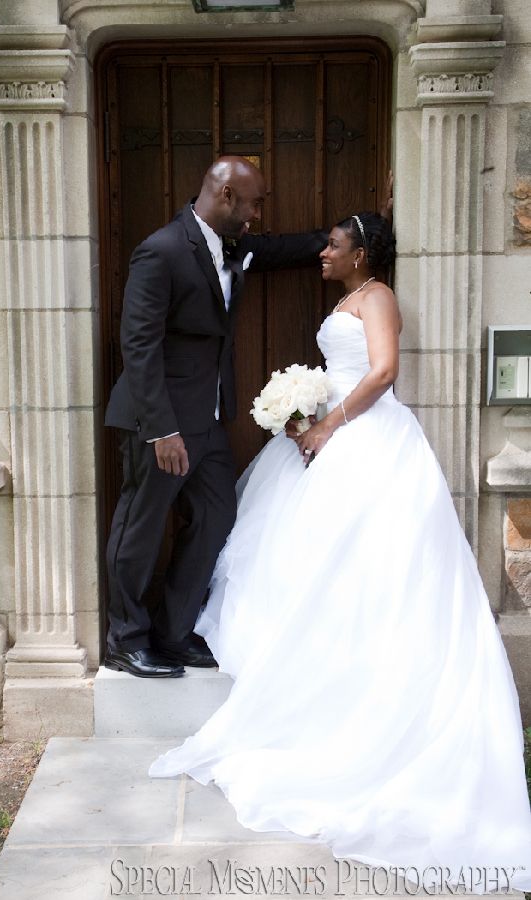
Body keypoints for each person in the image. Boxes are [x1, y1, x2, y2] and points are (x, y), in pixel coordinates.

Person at [149, 212, 531, 889]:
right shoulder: (347, 298)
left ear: (361, 254)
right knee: (300, 562)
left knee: (366, 566)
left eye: (332, 243)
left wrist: (327, 421)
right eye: (323, 241)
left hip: (369, 440)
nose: (321, 250)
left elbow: (381, 370)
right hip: (335, 433)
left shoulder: (377, 297)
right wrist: (301, 410)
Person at [105, 156, 331, 678]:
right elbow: (138, 345)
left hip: (207, 422)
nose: (257, 215)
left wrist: (359, 229)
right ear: (226, 196)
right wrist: (162, 428)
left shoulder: (232, 248)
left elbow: (279, 250)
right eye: (254, 204)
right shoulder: (160, 251)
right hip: (158, 422)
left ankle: (174, 632)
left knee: (215, 517)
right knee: (139, 529)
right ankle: (127, 639)